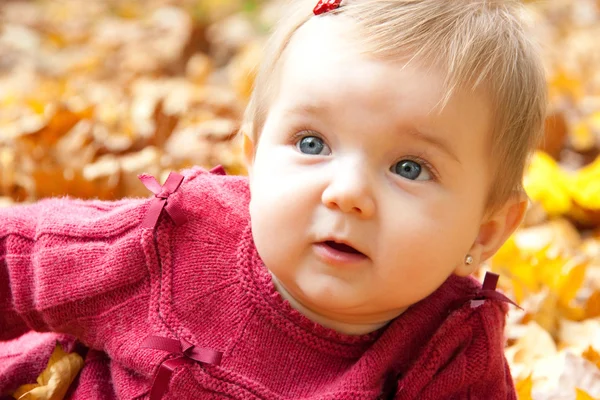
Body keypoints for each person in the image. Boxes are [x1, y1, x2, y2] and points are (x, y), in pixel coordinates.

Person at [0, 0, 547, 398]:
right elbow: (17, 258)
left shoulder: (452, 354)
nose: (348, 193)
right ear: (254, 161)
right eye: (313, 144)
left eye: (410, 168)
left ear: (486, 230)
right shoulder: (175, 239)